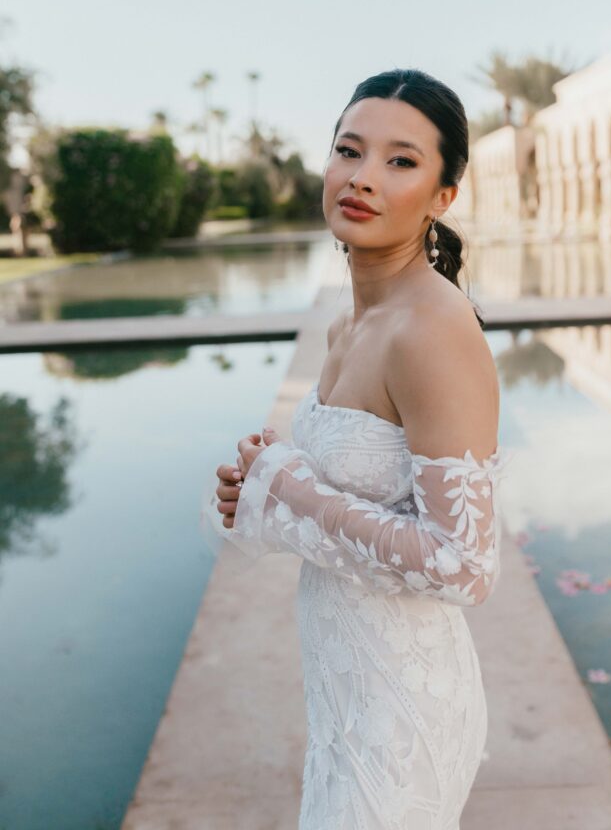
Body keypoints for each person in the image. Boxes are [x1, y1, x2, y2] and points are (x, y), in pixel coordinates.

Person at [203, 67, 510, 829]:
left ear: (443, 196)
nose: (363, 177)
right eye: (349, 150)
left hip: (401, 713)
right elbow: (359, 492)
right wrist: (269, 488)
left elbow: (465, 566)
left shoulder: (430, 330)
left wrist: (295, 491)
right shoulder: (350, 323)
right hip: (346, 692)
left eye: (400, 161)